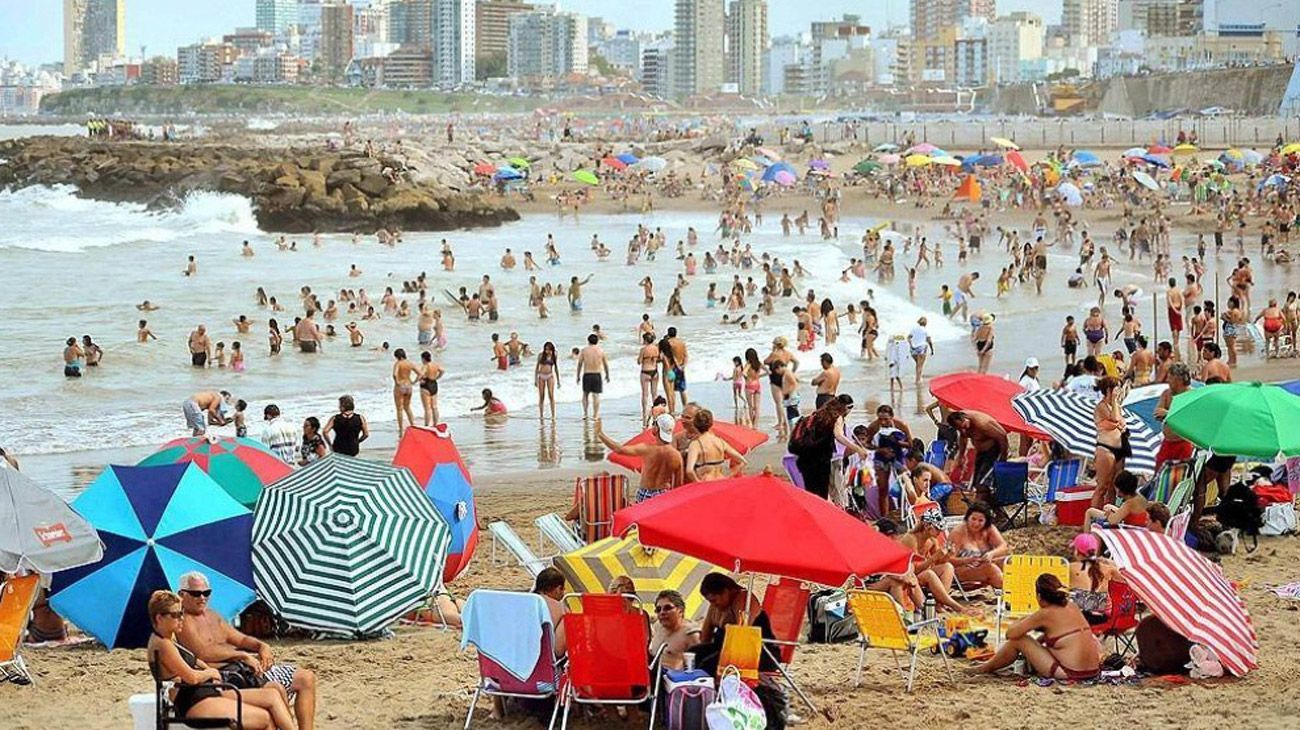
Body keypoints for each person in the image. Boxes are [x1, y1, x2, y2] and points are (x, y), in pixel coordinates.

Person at [174, 572, 316, 730]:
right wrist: (242, 655)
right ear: (182, 594)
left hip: (244, 669)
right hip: (230, 674)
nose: (202, 598)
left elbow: (240, 639)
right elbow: (203, 652)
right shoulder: (182, 620)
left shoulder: (212, 615)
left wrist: (261, 647)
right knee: (276, 690)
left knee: (305, 678)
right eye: (196, 593)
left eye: (206, 593)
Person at [147, 590, 296, 730]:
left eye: (181, 614)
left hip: (204, 692)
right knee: (264, 717)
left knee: (272, 695)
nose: (181, 619)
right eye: (175, 615)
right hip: (193, 702)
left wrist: (209, 672)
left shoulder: (167, 639)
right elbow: (191, 677)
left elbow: (195, 662)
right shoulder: (163, 645)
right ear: (159, 618)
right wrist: (211, 672)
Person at [974, 574, 1102, 681]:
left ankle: (985, 668)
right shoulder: (1072, 606)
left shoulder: (1045, 614)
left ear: (1039, 596)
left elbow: (1011, 634)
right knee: (1041, 638)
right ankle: (989, 665)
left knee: (1020, 641)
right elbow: (1059, 637)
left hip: (1070, 674)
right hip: (1092, 671)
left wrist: (1024, 619)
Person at [790, 396, 867, 501]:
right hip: (826, 459)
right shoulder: (837, 417)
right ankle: (834, 515)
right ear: (846, 408)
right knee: (831, 493)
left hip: (808, 458)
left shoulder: (818, 414)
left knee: (816, 492)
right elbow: (839, 436)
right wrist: (858, 449)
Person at [595, 415, 682, 502]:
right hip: (664, 494)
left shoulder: (647, 449)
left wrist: (600, 434)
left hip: (645, 493)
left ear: (657, 429)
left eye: (654, 424)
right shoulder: (677, 456)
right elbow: (678, 485)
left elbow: (619, 450)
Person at [947, 411, 1008, 504]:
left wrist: (1003, 458)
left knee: (983, 484)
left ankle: (977, 507)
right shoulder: (962, 425)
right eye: (960, 429)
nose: (963, 430)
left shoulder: (983, 423)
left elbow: (1002, 436)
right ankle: (998, 513)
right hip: (981, 453)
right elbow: (963, 438)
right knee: (976, 483)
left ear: (965, 418)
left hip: (994, 452)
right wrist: (960, 457)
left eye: (964, 427)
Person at [947, 502, 1008, 589]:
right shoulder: (958, 533)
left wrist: (991, 554)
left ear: (986, 521)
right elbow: (948, 560)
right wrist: (967, 560)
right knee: (991, 569)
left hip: (984, 564)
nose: (976, 523)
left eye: (980, 521)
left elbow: (1004, 546)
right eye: (973, 519)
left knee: (1009, 561)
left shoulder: (988, 529)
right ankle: (1011, 591)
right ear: (968, 518)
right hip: (962, 570)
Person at [1091, 377, 1130, 509]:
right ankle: (1093, 517)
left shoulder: (1116, 406)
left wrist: (1117, 422)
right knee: (1102, 487)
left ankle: (1108, 515)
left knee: (1115, 486)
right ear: (1109, 390)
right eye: (1117, 388)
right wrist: (1113, 400)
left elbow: (1121, 422)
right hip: (1105, 448)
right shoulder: (1101, 407)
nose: (1119, 391)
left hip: (1119, 447)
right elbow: (1115, 419)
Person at [1068, 533, 1119, 626]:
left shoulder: (1070, 568)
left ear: (1077, 552)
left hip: (1080, 618)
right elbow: (1123, 575)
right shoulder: (1107, 568)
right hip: (1102, 617)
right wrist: (1109, 562)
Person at [685, 409, 747, 483]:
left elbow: (689, 471)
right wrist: (729, 477)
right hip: (721, 481)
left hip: (706, 483)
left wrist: (698, 482)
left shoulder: (695, 444)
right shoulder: (720, 441)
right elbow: (742, 461)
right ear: (711, 424)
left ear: (695, 424)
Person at [650, 590, 699, 672]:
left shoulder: (691, 634)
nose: (662, 612)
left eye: (667, 608)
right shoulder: (657, 626)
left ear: (680, 610)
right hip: (653, 676)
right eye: (658, 609)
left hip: (675, 681)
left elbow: (699, 667)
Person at [575, 333, 609, 420]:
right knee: (596, 395)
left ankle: (586, 413)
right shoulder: (601, 351)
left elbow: (579, 364)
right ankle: (595, 415)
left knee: (585, 394)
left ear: (588, 341)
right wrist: (607, 375)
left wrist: (578, 376)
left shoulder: (584, 350)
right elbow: (605, 364)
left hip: (587, 374)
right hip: (597, 374)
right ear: (597, 341)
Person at [392, 348, 419, 435]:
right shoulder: (409, 363)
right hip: (408, 385)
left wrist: (397, 382)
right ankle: (413, 425)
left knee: (399, 409)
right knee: (407, 407)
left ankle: (401, 429)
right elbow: (420, 373)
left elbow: (395, 374)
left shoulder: (398, 364)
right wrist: (414, 382)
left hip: (400, 386)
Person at [535, 341, 561, 421]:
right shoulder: (541, 356)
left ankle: (553, 415)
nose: (547, 351)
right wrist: (535, 379)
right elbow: (536, 368)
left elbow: (556, 368)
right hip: (541, 376)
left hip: (550, 375)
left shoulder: (554, 356)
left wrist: (558, 380)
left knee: (551, 395)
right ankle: (541, 415)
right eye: (546, 350)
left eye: (549, 350)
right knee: (542, 396)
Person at [418, 351, 444, 427]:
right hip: (434, 384)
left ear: (423, 359)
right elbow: (442, 370)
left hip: (426, 384)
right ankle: (435, 424)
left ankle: (426, 425)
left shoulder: (425, 366)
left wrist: (418, 380)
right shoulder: (435, 365)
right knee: (434, 406)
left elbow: (421, 374)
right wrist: (438, 377)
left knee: (427, 408)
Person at [908, 317, 934, 384]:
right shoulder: (925, 330)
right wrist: (932, 349)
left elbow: (908, 337)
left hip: (913, 349)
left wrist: (911, 345)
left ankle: (918, 378)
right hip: (922, 348)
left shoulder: (913, 329)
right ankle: (918, 380)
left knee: (917, 364)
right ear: (925, 323)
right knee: (920, 365)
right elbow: (929, 340)